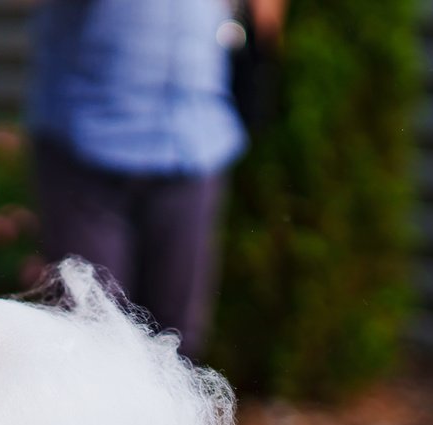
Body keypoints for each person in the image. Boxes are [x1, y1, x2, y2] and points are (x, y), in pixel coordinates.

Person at [26, 0, 283, 358]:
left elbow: (266, 16)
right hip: (85, 136)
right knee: (90, 336)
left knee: (176, 344)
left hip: (193, 138)